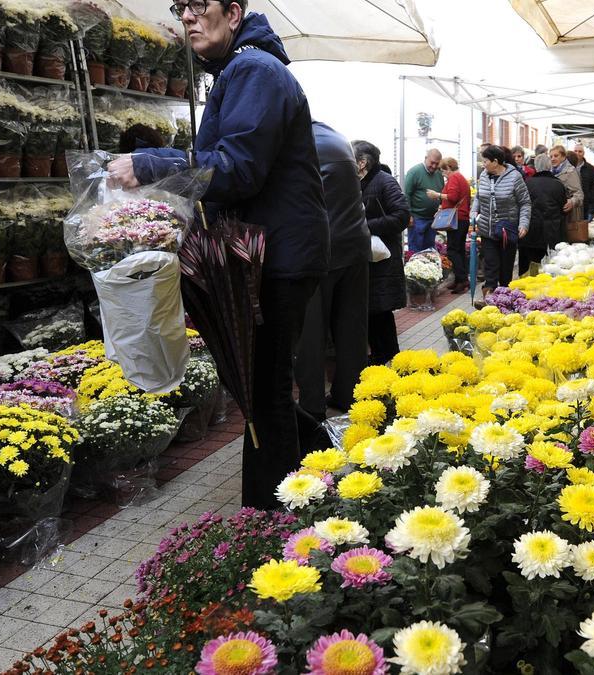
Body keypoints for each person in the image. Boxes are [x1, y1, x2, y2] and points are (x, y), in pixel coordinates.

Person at [109, 0, 329, 510]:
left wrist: (150, 164)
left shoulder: (253, 68)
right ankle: (318, 460)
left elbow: (239, 168)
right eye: (179, 6)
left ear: (233, 13)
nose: (186, 15)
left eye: (197, 4)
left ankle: (269, 520)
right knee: (258, 382)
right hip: (267, 253)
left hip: (277, 257)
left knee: (263, 392)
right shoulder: (240, 69)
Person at [295, 121, 370, 439]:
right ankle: (349, 395)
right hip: (356, 246)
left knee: (310, 334)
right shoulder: (338, 140)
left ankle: (312, 405)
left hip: (321, 250)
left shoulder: (297, 142)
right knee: (352, 330)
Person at [355, 140, 410, 365]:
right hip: (370, 259)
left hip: (384, 258)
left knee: (381, 312)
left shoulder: (384, 181)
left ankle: (390, 360)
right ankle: (380, 357)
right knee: (373, 312)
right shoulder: (359, 182)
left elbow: (402, 216)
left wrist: (366, 226)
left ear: (362, 162)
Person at [472, 145, 530, 303]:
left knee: (505, 271)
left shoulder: (514, 177)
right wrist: (473, 215)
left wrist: (523, 224)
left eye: (485, 161)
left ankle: (505, 301)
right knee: (490, 266)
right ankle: (488, 299)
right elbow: (478, 197)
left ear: (495, 162)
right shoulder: (483, 176)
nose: (483, 165)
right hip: (487, 229)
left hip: (507, 230)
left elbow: (525, 202)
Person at [427, 157, 470, 294]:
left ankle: (462, 280)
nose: (442, 173)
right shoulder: (460, 177)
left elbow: (452, 197)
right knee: (459, 250)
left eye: (443, 170)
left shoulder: (454, 178)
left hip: (457, 219)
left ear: (449, 168)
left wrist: (437, 195)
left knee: (453, 250)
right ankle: (459, 279)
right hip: (462, 218)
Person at [520, 153, 566, 275]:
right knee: (550, 267)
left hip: (531, 231)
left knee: (531, 266)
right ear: (550, 166)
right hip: (553, 231)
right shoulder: (558, 184)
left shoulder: (527, 183)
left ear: (536, 167)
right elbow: (563, 207)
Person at [402, 149, 444, 253]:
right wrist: (409, 215)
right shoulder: (414, 172)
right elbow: (406, 195)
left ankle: (429, 269)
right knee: (416, 250)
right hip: (417, 218)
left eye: (437, 164)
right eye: (432, 162)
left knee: (430, 250)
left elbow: (442, 192)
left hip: (433, 219)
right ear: (426, 158)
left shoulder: (439, 174)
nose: (434, 166)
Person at [548, 144, 584, 229]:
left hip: (569, 216)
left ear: (563, 157)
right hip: (556, 215)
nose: (553, 159)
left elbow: (579, 194)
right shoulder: (551, 171)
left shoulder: (570, 172)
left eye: (556, 156)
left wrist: (572, 202)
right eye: (551, 156)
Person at [574, 144, 594, 220]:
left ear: (583, 153)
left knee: (582, 225)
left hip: (585, 204)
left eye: (580, 151)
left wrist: (588, 197)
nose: (577, 153)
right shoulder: (568, 166)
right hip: (571, 203)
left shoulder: (590, 168)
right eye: (575, 151)